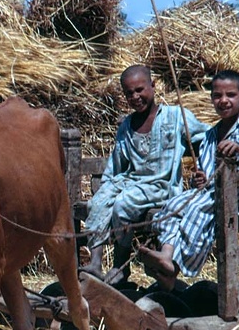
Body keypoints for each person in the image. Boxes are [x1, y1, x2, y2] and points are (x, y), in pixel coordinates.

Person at [137, 69, 239, 291]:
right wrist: (199, 180)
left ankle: (174, 268)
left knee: (195, 211)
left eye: (230, 95)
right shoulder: (211, 135)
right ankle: (166, 255)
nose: (223, 101)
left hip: (236, 200)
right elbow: (206, 173)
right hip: (210, 194)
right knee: (171, 207)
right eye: (217, 96)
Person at [81, 64, 209, 284]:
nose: (135, 96)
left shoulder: (176, 117)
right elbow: (117, 164)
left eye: (140, 90)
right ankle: (95, 262)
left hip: (161, 186)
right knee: (99, 202)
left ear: (153, 85)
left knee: (123, 204)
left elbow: (207, 139)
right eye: (129, 93)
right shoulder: (127, 126)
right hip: (132, 182)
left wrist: (204, 168)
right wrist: (106, 188)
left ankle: (121, 265)